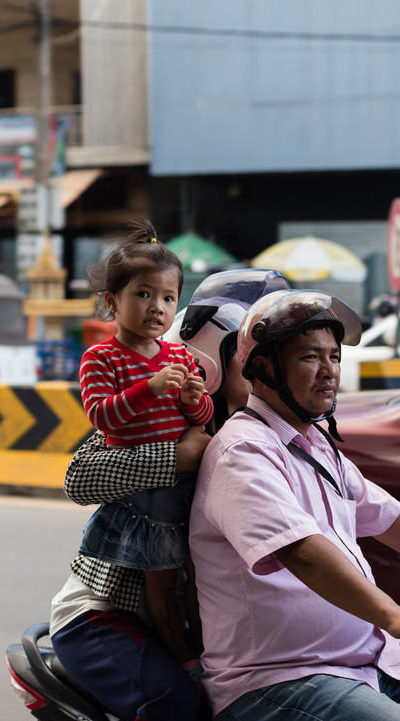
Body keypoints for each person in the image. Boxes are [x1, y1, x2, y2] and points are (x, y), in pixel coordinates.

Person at [189, 289, 400, 721]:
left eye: (335, 357)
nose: (330, 371)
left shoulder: (314, 445)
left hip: (357, 660)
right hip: (279, 678)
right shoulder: (243, 451)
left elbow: (390, 517)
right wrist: (395, 615)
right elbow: (300, 551)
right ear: (264, 367)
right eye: (311, 357)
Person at [49, 268, 291, 721]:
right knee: (177, 709)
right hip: (112, 614)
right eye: (259, 358)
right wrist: (177, 458)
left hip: (212, 631)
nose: (275, 372)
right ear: (216, 357)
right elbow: (79, 477)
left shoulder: (278, 429)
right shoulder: (159, 409)